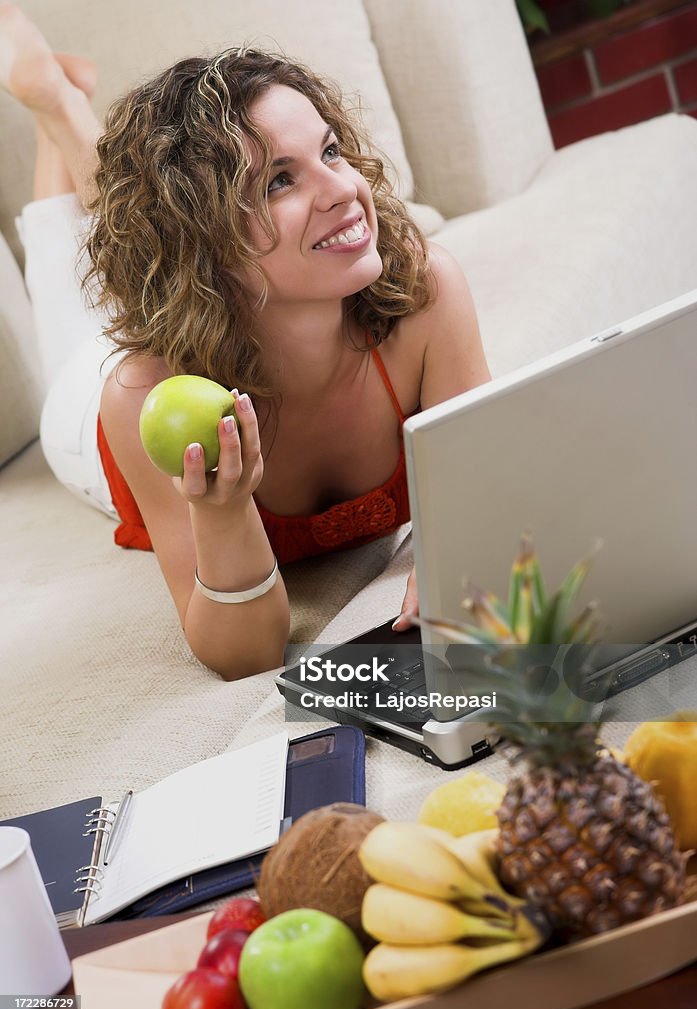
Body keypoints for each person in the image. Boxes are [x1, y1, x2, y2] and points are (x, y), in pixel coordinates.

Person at [0, 3, 490, 680]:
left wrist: (463, 561)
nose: (343, 190)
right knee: (72, 285)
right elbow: (246, 658)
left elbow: (488, 502)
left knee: (126, 230)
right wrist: (220, 512)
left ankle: (57, 104)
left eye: (330, 151)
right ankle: (55, 101)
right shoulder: (138, 394)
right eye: (278, 181)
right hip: (94, 422)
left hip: (198, 305)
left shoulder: (426, 292)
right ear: (206, 246)